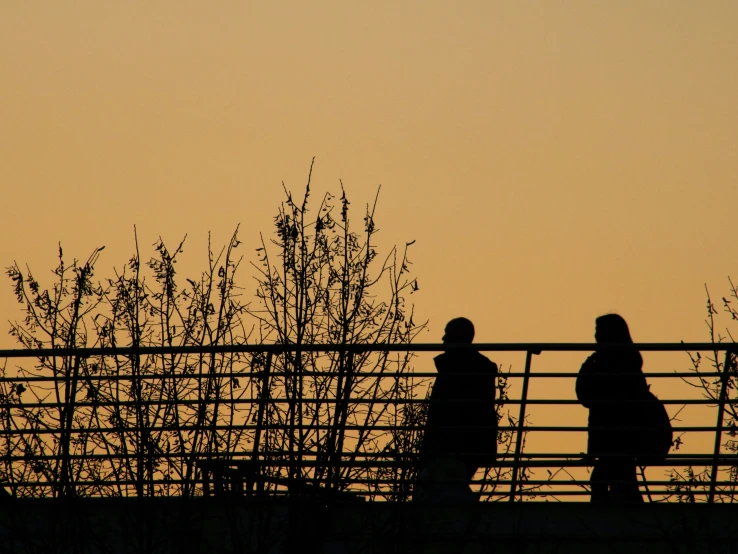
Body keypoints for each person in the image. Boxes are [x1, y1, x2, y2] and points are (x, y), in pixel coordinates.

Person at [414, 317, 498, 502]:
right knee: (446, 485)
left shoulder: (457, 369)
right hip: (466, 443)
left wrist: (432, 445)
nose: (443, 339)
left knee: (441, 487)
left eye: (448, 334)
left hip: (451, 444)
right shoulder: (475, 367)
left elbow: (444, 412)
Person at [576, 313, 649, 503]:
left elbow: (589, 396)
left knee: (606, 480)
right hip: (619, 435)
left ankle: (600, 521)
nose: (596, 336)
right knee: (624, 481)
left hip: (615, 434)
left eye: (599, 331)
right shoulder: (627, 361)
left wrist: (588, 366)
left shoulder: (609, 362)